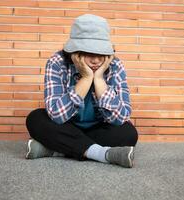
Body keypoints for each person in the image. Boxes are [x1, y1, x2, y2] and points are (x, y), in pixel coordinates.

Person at [25, 14, 138, 168]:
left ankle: (57, 149)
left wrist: (99, 79)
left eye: (101, 53)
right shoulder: (57, 62)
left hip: (97, 129)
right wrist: (85, 78)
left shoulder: (115, 66)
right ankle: (103, 154)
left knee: (128, 133)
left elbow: (121, 117)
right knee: (35, 119)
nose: (96, 60)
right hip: (66, 126)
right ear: (75, 52)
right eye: (89, 52)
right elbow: (57, 116)